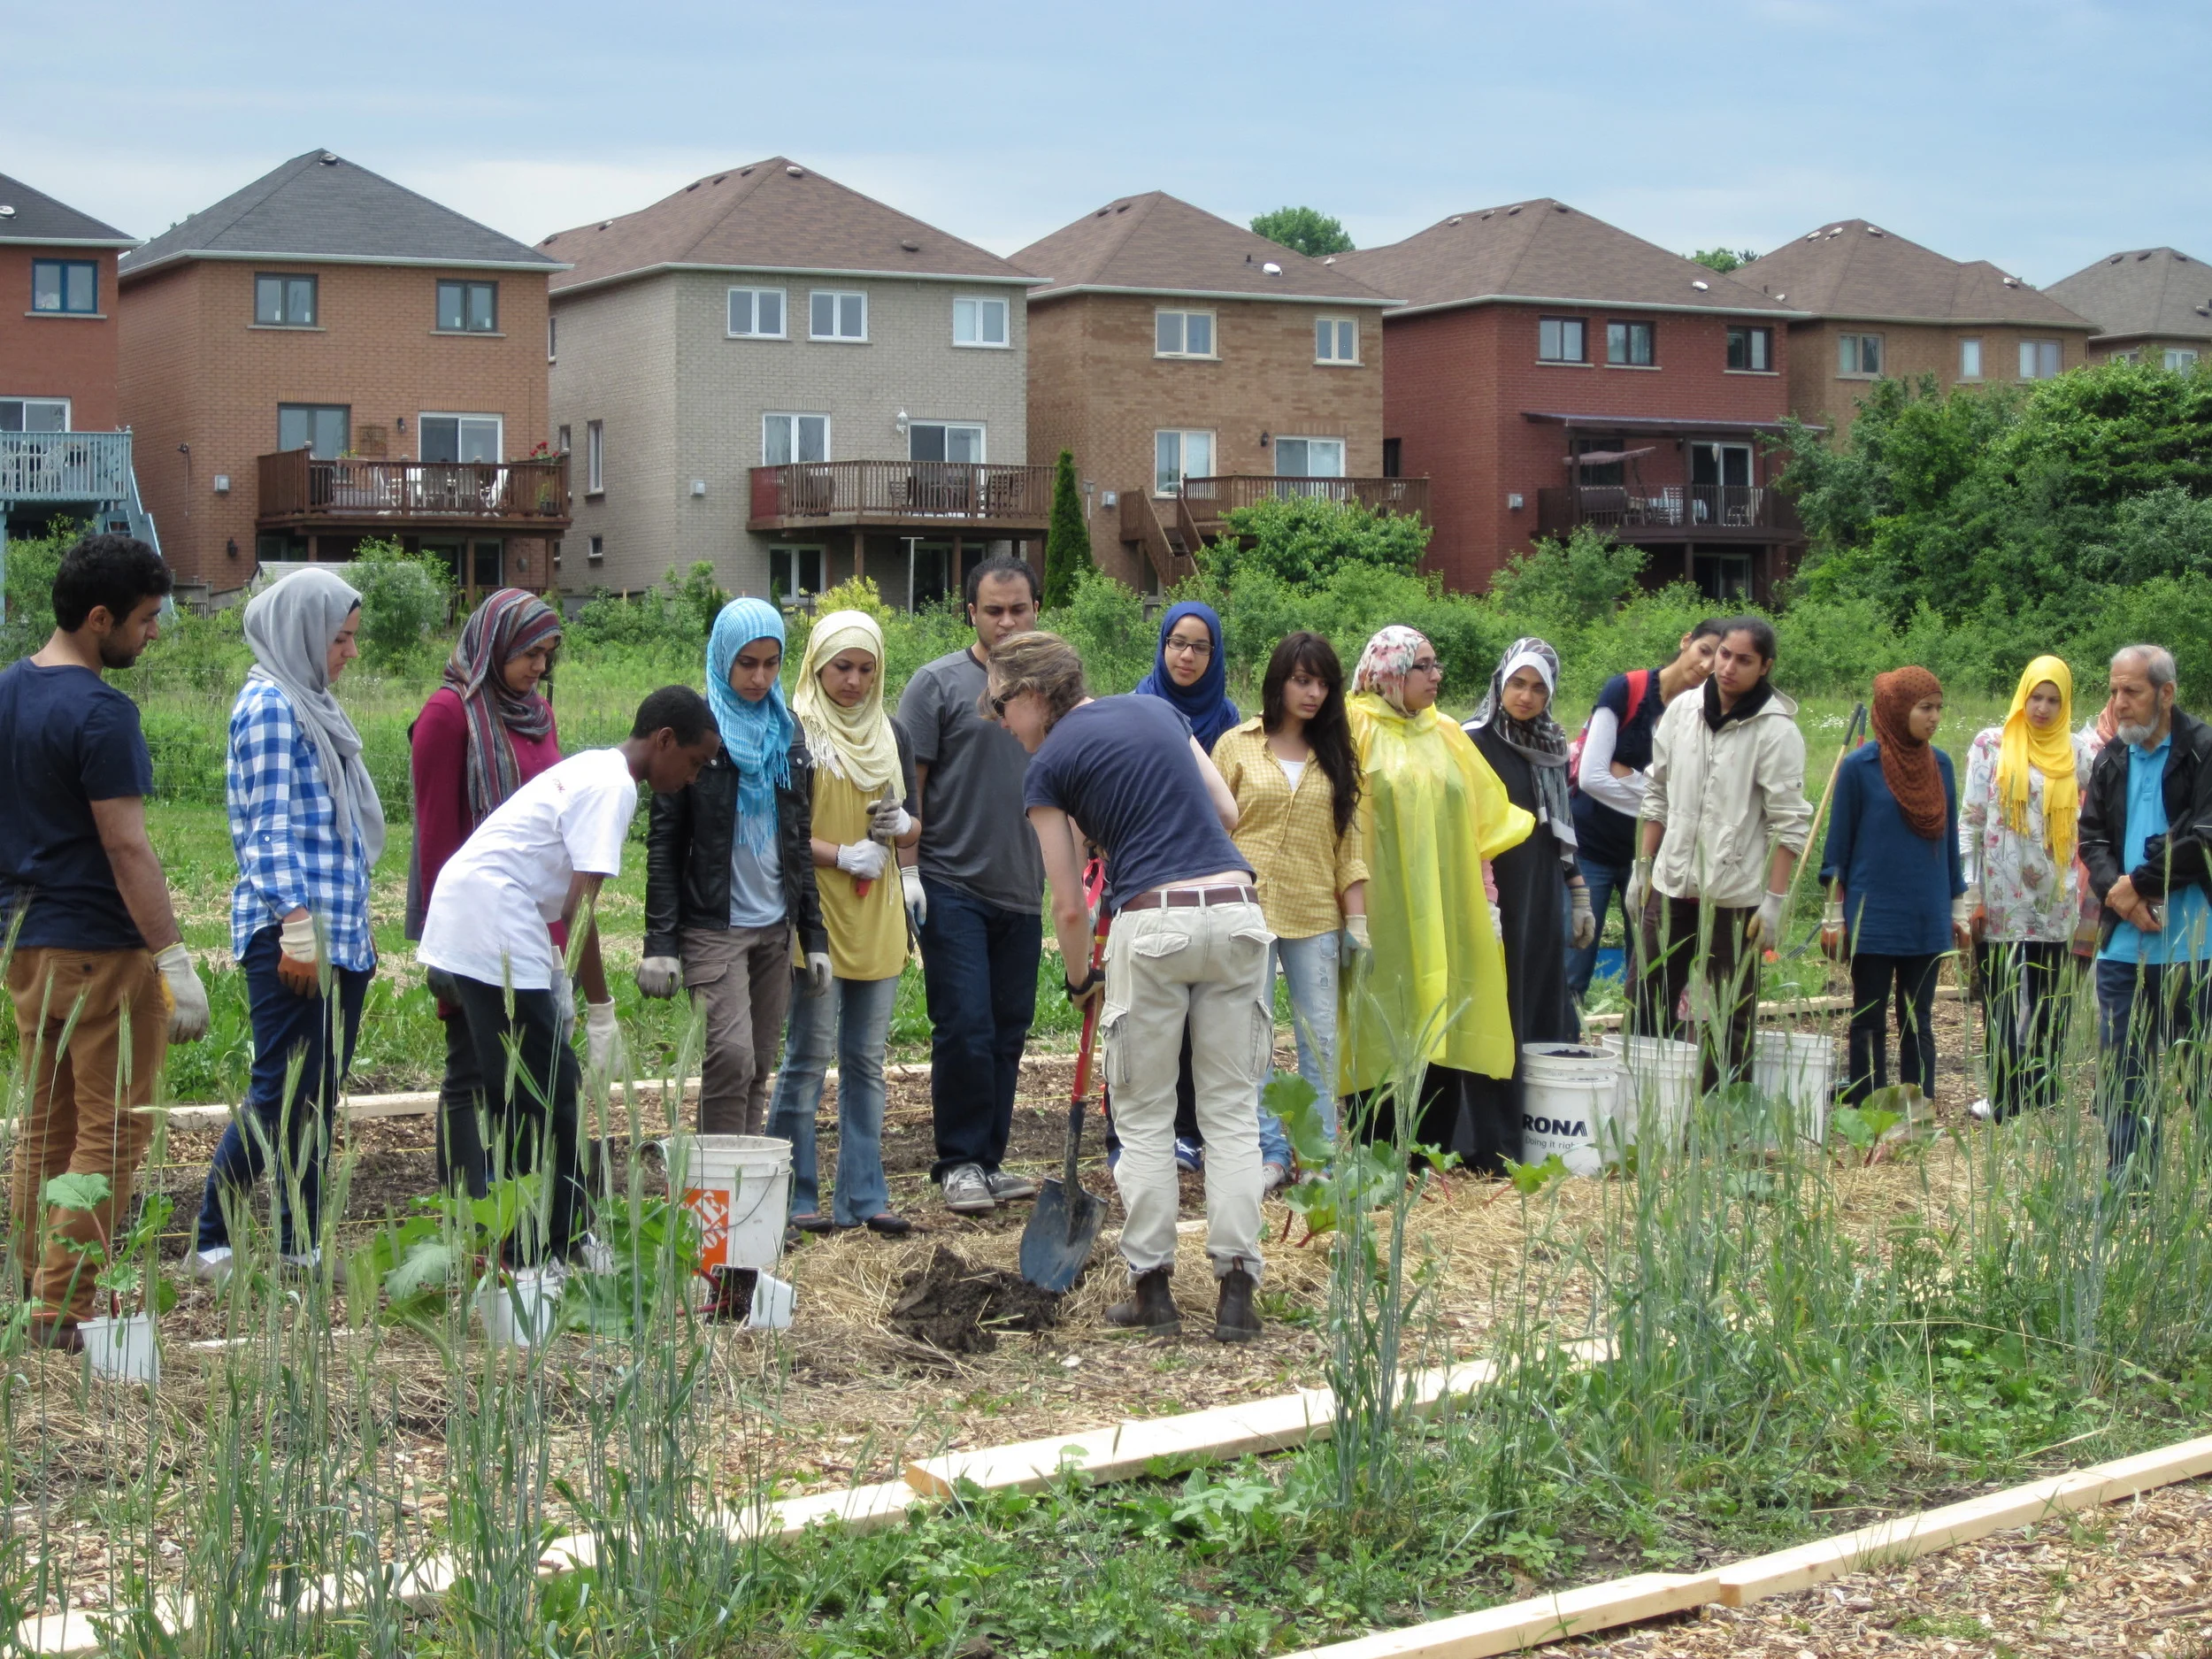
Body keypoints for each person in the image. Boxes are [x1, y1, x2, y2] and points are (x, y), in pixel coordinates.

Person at [992, 630, 1269, 1341]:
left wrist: (1081, 976)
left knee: (1145, 1112)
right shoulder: (1158, 711)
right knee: (1232, 1111)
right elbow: (1228, 817)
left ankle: (1153, 1289)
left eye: (1001, 705)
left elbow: (1067, 904)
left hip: (1155, 922)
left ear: (1032, 695)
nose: (999, 721)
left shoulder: (1047, 767)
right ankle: (1238, 1289)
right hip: (1239, 913)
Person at [419, 687, 718, 1266]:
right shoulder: (613, 788)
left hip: (478, 915)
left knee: (520, 1087)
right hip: (490, 921)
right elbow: (581, 907)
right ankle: (547, 1245)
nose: (694, 777)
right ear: (663, 742)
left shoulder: (595, 768)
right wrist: (602, 1011)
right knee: (547, 1090)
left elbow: (555, 892)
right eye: (694, 762)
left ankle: (535, 1236)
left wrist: (558, 975)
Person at [0, 534, 208, 1349]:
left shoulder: (8, 691)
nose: (152, 634)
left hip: (29, 949)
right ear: (99, 619)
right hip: (104, 953)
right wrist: (173, 959)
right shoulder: (102, 712)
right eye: (147, 619)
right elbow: (127, 847)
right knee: (113, 1131)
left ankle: (30, 1288)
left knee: (44, 1128)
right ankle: (63, 1310)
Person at [188, 570, 385, 1281]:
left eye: (351, 637)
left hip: (340, 933)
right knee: (278, 1092)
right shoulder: (272, 706)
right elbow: (268, 832)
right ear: (301, 633)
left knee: (316, 1100)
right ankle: (213, 1238)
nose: (349, 653)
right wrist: (298, 929)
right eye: (339, 637)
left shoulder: (314, 704)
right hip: (295, 934)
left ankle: (298, 1244)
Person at [1342, 626, 1533, 1172]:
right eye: (1423, 666)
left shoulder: (1446, 732)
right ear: (1390, 673)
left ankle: (1429, 1153)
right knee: (1384, 1019)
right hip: (1382, 912)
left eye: (1436, 664)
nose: (1436, 676)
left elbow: (1479, 819)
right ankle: (1376, 1154)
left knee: (1444, 1015)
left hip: (1449, 906)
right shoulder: (1354, 729)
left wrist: (1488, 898)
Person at [640, 598, 828, 1134]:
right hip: (713, 925)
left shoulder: (786, 735)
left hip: (774, 923)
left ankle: (747, 1197)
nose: (759, 677)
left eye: (771, 663)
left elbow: (797, 837)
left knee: (758, 1067)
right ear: (723, 658)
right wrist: (660, 944)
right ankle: (717, 1196)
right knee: (730, 1058)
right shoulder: (696, 735)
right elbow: (665, 843)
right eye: (747, 663)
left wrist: (813, 934)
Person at [895, 556, 1045, 1217]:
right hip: (952, 882)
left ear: (1036, 609)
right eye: (994, 610)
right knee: (965, 1025)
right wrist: (908, 871)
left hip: (1023, 884)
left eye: (1019, 608)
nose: (1007, 621)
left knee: (1010, 1028)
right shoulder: (938, 685)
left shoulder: (1051, 686)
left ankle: (989, 1158)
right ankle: (957, 1161)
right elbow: (911, 786)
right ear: (971, 614)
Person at [765, 611, 921, 1236]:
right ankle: (794, 1194)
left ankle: (863, 1195)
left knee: (865, 1059)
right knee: (807, 1058)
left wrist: (899, 831)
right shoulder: (797, 731)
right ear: (816, 667)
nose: (853, 682)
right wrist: (837, 852)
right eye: (841, 668)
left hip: (876, 909)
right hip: (818, 914)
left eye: (865, 669)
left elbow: (911, 818)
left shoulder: (890, 732)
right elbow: (781, 831)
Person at [405, 588, 565, 1198]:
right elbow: (438, 835)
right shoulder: (448, 716)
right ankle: (469, 1208)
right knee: (471, 1065)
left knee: (532, 1067)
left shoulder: (537, 713)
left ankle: (523, 1202)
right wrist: (447, 948)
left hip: (530, 915)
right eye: (529, 653)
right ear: (493, 644)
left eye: (548, 655)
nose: (539, 668)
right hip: (473, 920)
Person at [1210, 633, 1368, 1180]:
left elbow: (1350, 845)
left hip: (1315, 914)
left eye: (1323, 682)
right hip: (1245, 910)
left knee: (1320, 1039)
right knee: (1250, 1037)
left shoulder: (1339, 756)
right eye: (1303, 680)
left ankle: (1319, 1153)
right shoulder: (1235, 745)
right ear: (1279, 682)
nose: (1314, 693)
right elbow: (1211, 829)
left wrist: (1359, 920)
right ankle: (1267, 1152)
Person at [1631, 618, 1811, 1092]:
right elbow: (1658, 793)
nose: (1728, 667)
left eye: (1744, 660)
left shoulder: (1776, 731)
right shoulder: (1684, 709)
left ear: (1765, 666)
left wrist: (1773, 901)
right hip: (1670, 884)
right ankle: (1649, 1104)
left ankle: (1720, 1116)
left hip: (1734, 896)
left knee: (1729, 1011)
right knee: (1645, 996)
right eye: (1724, 655)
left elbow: (1789, 823)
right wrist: (1642, 868)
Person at [2078, 645, 2212, 1179]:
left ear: (2166, 693)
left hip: (2191, 945)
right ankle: (2131, 1185)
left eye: (2131, 691)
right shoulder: (2112, 757)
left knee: (2197, 1067)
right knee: (2122, 1070)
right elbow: (2091, 839)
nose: (2119, 703)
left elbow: (2204, 837)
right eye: (2113, 691)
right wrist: (2120, 895)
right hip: (2122, 947)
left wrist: (2138, 883)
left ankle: (2199, 1192)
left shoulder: (2203, 749)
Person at [1132, 600, 1253, 1176]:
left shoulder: (1227, 717)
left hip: (1216, 881)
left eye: (1198, 646)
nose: (1185, 655)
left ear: (1215, 654)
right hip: (1154, 878)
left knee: (1214, 1017)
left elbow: (1234, 803)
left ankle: (1208, 1129)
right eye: (1176, 642)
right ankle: (1168, 1131)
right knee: (1161, 1017)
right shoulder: (1141, 706)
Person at [1818, 667, 1969, 1105]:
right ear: (1899, 709)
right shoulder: (1858, 768)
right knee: (1869, 1015)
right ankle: (1868, 1102)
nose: (1935, 717)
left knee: (1917, 1017)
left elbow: (1951, 842)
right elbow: (1837, 850)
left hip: (1926, 914)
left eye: (1939, 707)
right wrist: (1833, 916)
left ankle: (1915, 1105)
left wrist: (1958, 907)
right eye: (1926, 708)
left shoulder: (1940, 765)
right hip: (1873, 915)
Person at [1959, 657, 2090, 1122]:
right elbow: (1971, 820)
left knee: (2050, 996)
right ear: (2023, 695)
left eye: (2054, 699)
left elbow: (2099, 815)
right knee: (2000, 995)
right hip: (2000, 893)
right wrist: (1969, 890)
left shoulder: (2078, 752)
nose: (2043, 708)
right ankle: (2002, 1094)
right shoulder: (1991, 744)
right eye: (2036, 696)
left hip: (2054, 897)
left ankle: (2041, 1089)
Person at [1566, 620, 1726, 1000]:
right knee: (1576, 960)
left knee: (1648, 967)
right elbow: (1591, 777)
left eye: (1716, 661)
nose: (1706, 666)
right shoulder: (1626, 689)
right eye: (1703, 650)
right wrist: (1663, 800)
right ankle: (1563, 1049)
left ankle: (1637, 1049)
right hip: (1593, 849)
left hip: (1657, 855)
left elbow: (1701, 790)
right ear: (1685, 640)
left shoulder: (1706, 711)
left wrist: (1627, 776)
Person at [1464, 637, 1587, 1120]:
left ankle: (1541, 1112)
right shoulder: (1472, 741)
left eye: (1538, 687)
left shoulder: (1550, 746)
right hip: (1494, 891)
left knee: (1538, 984)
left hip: (1539, 889)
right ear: (1500, 682)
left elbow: (1560, 829)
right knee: (1499, 991)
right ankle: (1497, 1114)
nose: (1526, 696)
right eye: (1517, 683)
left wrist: (1579, 895)